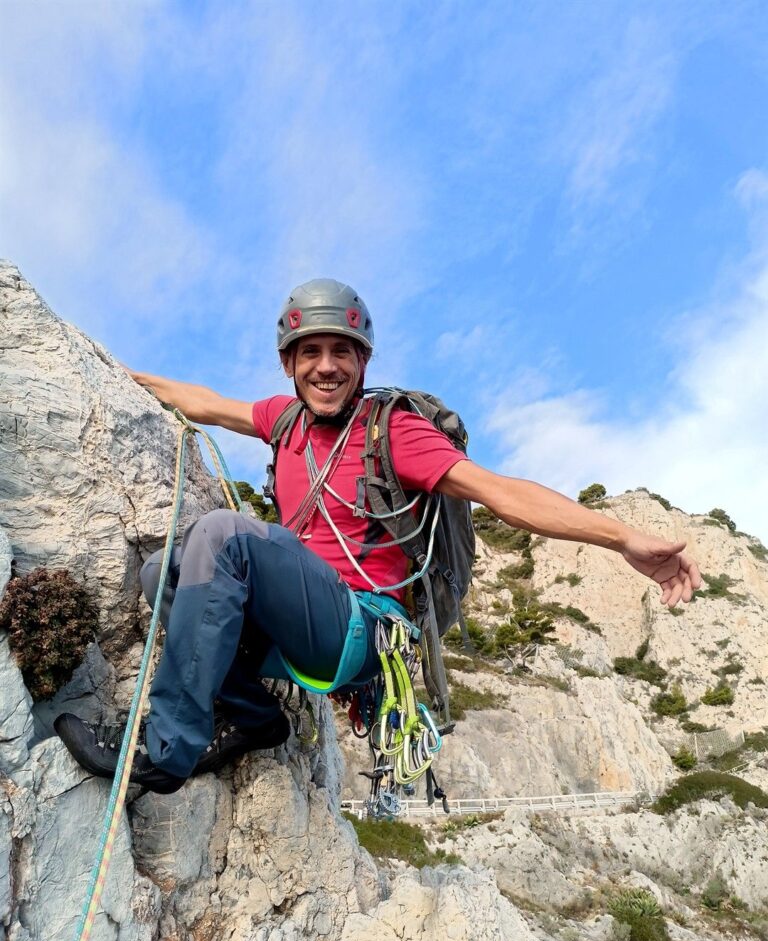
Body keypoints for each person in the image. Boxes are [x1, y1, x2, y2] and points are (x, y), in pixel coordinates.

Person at [55, 278, 702, 793]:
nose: (328, 366)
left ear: (363, 361)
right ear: (290, 362)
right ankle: (252, 718)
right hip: (301, 624)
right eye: (312, 352)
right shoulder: (284, 421)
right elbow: (209, 402)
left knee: (224, 535)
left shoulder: (394, 432)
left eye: (343, 352)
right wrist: (100, 365)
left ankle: (165, 750)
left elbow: (502, 492)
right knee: (159, 574)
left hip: (360, 630)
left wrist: (620, 537)